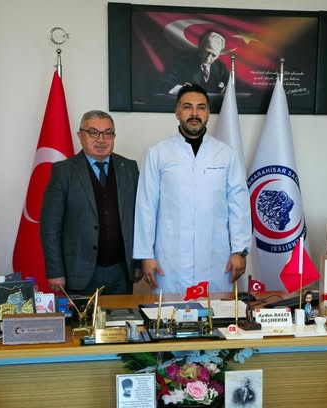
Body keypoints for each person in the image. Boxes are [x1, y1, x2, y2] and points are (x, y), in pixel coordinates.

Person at [134, 84, 252, 294]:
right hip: (169, 263)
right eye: (188, 107)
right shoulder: (157, 153)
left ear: (208, 113)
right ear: (177, 112)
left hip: (217, 260)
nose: (194, 113)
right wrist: (145, 255)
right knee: (169, 311)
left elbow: (239, 205)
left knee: (216, 311)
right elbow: (146, 207)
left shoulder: (227, 155)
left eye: (201, 107)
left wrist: (240, 251)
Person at [40, 110, 141, 295]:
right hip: (79, 273)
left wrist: (138, 263)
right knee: (82, 316)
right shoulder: (63, 171)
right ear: (80, 136)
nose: (101, 140)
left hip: (121, 272)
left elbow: (139, 219)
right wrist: (55, 271)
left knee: (122, 314)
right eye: (93, 133)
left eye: (108, 133)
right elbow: (50, 226)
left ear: (114, 137)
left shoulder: (129, 168)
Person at [163, 30, 230, 95]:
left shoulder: (220, 68)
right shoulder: (181, 62)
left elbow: (230, 87)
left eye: (214, 55)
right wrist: (181, 89)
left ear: (218, 55)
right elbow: (165, 83)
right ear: (201, 46)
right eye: (207, 52)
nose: (208, 58)